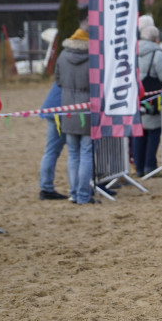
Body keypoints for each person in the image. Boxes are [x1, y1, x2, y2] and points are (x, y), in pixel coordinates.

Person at [55, 28, 97, 204]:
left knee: (73, 154)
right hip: (87, 108)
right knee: (86, 153)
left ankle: (74, 193)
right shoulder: (93, 58)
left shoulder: (62, 56)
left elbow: (58, 81)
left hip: (68, 108)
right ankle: (83, 195)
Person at [133, 24, 162, 178]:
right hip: (152, 99)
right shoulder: (157, 54)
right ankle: (150, 166)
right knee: (154, 131)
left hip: (136, 98)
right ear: (156, 39)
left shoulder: (132, 51)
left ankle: (138, 167)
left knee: (139, 132)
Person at [37, 81, 67, 200]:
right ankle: (81, 187)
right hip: (64, 111)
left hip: (51, 109)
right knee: (77, 152)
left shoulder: (63, 64)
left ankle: (46, 187)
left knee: (50, 151)